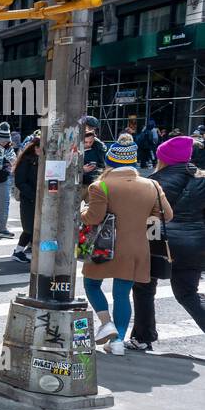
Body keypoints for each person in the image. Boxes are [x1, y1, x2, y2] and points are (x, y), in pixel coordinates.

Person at [80, 138, 172, 356]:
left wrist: (82, 211)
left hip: (102, 248)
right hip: (136, 249)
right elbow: (166, 215)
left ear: (110, 160)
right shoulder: (152, 185)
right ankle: (119, 341)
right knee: (122, 294)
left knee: (91, 285)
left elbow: (94, 217)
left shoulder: (101, 185)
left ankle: (106, 323)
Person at [129, 135, 205, 351]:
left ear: (164, 159)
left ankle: (143, 337)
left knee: (144, 288)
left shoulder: (154, 182)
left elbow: (144, 218)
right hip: (195, 244)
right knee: (187, 294)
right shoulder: (201, 180)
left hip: (157, 242)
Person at [11, 132, 41, 262]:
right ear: (34, 147)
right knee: (29, 228)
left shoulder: (41, 160)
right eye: (40, 147)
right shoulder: (26, 160)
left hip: (37, 199)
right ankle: (18, 251)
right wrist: (34, 196)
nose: (42, 150)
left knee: (34, 229)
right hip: (29, 199)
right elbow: (20, 182)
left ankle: (23, 251)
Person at [81, 116, 107, 188]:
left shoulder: (98, 145)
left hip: (94, 182)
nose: (91, 131)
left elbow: (103, 165)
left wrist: (98, 170)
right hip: (77, 184)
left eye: (93, 129)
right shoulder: (72, 142)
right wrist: (81, 170)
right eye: (89, 128)